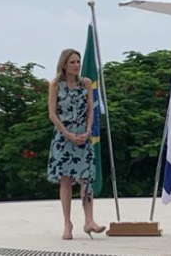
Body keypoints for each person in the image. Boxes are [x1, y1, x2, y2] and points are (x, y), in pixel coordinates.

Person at [47, 48, 106, 240]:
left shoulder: (86, 83)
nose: (76, 65)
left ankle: (89, 220)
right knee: (65, 180)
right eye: (72, 62)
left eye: (78, 61)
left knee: (86, 178)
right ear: (64, 64)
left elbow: (91, 110)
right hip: (64, 136)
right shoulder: (56, 84)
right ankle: (67, 222)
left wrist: (88, 130)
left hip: (83, 135)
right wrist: (67, 133)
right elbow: (52, 113)